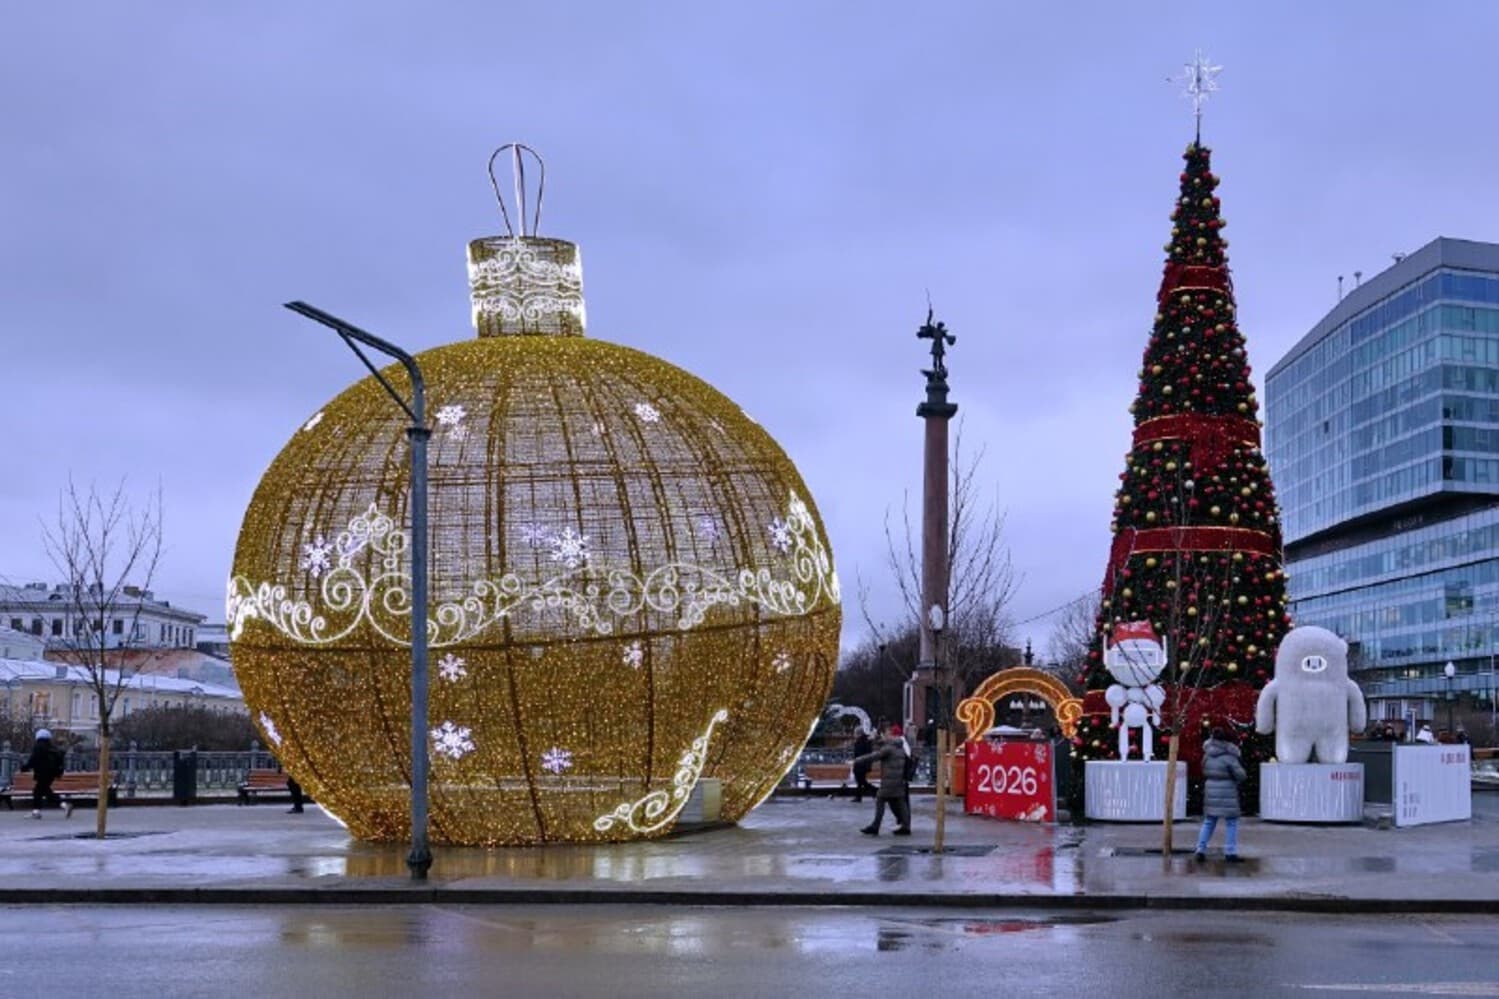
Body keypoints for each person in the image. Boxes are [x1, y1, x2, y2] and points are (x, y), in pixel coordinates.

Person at [1194, 727, 1246, 863]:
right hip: (1228, 790)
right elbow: (1241, 775)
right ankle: (1230, 852)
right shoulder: (1230, 757)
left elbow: (1203, 770)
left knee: (1209, 821)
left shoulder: (1207, 755)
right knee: (1231, 823)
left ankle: (1200, 849)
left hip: (1210, 789)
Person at [854, 724, 911, 836]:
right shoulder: (899, 747)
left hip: (889, 780)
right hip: (898, 779)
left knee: (880, 799)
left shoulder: (889, 748)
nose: (883, 736)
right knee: (900, 801)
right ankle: (906, 826)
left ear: (890, 735)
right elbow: (882, 747)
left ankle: (875, 826)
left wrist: (858, 760)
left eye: (885, 735)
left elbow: (874, 756)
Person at [21, 729, 71, 820]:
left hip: (42, 772)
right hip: (52, 773)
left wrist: (25, 767)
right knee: (42, 791)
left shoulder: (39, 746)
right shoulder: (52, 747)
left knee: (40, 791)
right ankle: (38, 811)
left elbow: (34, 759)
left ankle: (63, 805)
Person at [849, 728, 875, 804]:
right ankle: (859, 796)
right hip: (859, 764)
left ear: (859, 734)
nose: (854, 735)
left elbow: (863, 754)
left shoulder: (863, 742)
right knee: (860, 781)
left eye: (855, 733)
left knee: (861, 781)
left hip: (862, 764)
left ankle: (874, 790)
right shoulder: (861, 741)